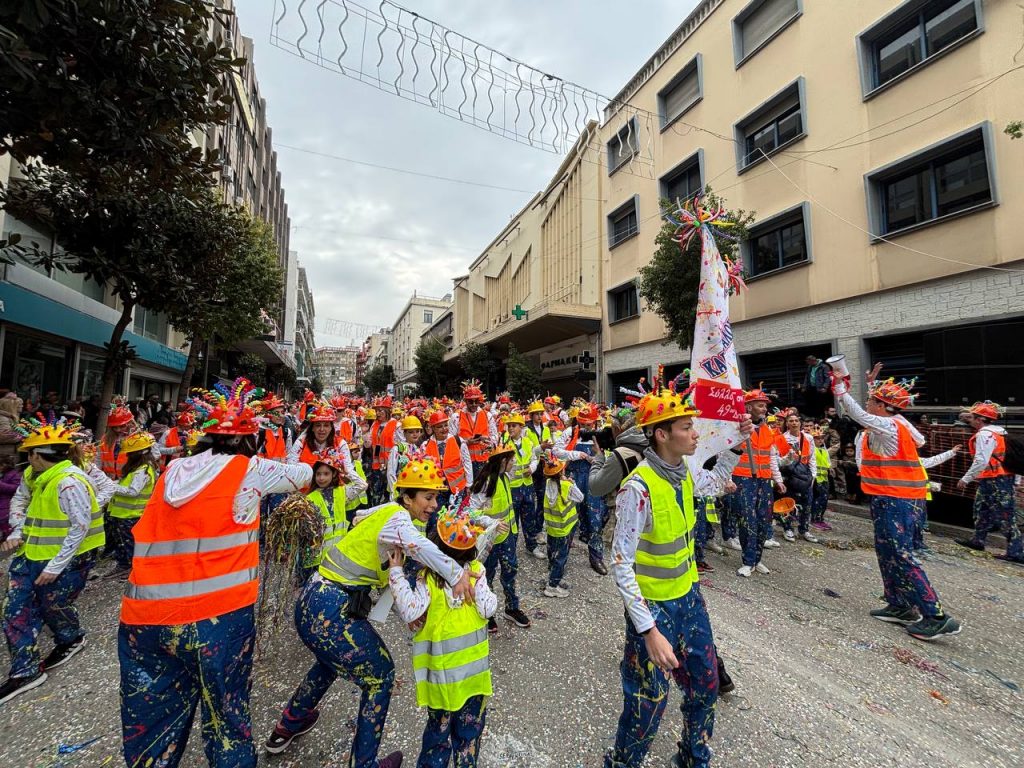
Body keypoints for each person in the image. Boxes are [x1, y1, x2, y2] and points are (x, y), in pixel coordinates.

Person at [117, 381, 312, 768]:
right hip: (216, 619)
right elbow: (303, 473)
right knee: (226, 720)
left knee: (153, 728)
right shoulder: (250, 468)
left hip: (145, 621)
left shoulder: (171, 471)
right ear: (249, 440)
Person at [265, 459, 474, 768]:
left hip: (313, 602)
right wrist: (457, 574)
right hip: (331, 609)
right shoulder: (401, 520)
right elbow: (418, 546)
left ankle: (289, 724)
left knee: (329, 662)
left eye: (436, 497)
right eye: (427, 497)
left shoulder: (387, 511)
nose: (434, 504)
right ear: (407, 497)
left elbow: (360, 517)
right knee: (381, 675)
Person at [605, 389, 751, 768]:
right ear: (662, 435)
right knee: (648, 702)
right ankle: (623, 763)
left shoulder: (684, 474)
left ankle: (692, 758)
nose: (695, 433)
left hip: (689, 601)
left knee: (705, 687)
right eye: (687, 427)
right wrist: (648, 630)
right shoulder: (637, 490)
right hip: (653, 611)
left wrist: (737, 444)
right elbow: (621, 564)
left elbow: (716, 480)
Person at [830, 364, 960, 640]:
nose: (867, 403)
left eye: (872, 400)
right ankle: (899, 604)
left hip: (896, 499)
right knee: (886, 551)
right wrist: (870, 387)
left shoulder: (889, 426)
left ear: (882, 406)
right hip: (896, 498)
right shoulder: (900, 423)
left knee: (900, 554)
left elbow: (859, 414)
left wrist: (840, 387)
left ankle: (935, 615)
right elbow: (919, 440)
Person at [0, 419, 105, 704]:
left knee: (53, 605)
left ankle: (71, 638)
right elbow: (20, 503)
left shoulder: (69, 482)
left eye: (29, 454)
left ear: (37, 455)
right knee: (14, 610)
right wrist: (18, 530)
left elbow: (79, 526)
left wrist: (55, 567)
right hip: (31, 554)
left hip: (67, 560)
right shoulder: (34, 476)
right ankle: (25, 670)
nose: (26, 459)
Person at [389, 508, 496, 768]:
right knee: (468, 737)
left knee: (438, 736)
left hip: (441, 683)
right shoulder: (477, 572)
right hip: (474, 679)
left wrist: (396, 571)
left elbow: (410, 610)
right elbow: (488, 609)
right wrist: (480, 586)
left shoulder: (428, 579)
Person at [469, 440, 527, 631]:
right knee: (488, 575)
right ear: (501, 461)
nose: (513, 463)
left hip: (508, 537)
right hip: (490, 540)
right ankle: (488, 611)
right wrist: (491, 524)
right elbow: (471, 511)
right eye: (510, 460)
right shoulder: (486, 483)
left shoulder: (505, 478)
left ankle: (512, 608)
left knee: (510, 571)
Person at [955, 401, 1023, 564]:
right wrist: (1017, 479)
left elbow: (981, 460)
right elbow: (1012, 458)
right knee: (982, 509)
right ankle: (978, 540)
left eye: (972, 417)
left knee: (1004, 515)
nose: (969, 420)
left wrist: (966, 478)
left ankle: (1017, 551)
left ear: (980, 419)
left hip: (996, 479)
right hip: (998, 478)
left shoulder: (984, 435)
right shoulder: (1001, 432)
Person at [730, 388, 786, 577]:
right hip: (743, 479)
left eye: (765, 406)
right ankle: (747, 561)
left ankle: (757, 559)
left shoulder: (767, 430)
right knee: (747, 520)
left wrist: (777, 479)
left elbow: (771, 457)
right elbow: (726, 453)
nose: (764, 409)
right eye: (760, 405)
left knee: (764, 520)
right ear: (748, 406)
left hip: (764, 480)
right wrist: (726, 478)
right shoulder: (738, 426)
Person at [554, 403, 609, 576]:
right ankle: (559, 560)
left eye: (589, 424)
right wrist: (578, 455)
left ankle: (596, 557)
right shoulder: (570, 433)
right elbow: (556, 451)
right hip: (573, 477)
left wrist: (599, 458)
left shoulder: (601, 434)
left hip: (593, 479)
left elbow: (610, 456)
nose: (586, 427)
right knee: (569, 519)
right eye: (583, 424)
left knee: (595, 519)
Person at [301, 448, 365, 583]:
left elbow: (362, 484)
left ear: (334, 475)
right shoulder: (309, 498)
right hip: (316, 556)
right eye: (318, 474)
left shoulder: (341, 493)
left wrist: (346, 470)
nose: (321, 478)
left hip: (336, 553)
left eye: (326, 473)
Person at [105, 431, 159, 576]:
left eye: (130, 454)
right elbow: (126, 484)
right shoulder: (138, 469)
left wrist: (111, 487)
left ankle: (129, 568)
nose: (127, 456)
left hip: (130, 515)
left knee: (127, 544)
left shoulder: (143, 470)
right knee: (121, 543)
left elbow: (133, 491)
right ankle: (123, 565)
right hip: (122, 514)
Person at [540, 453, 583, 598]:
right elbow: (580, 497)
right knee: (561, 557)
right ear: (561, 472)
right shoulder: (566, 486)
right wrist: (572, 483)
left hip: (552, 528)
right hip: (564, 528)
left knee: (552, 553)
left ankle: (553, 575)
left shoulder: (547, 484)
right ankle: (552, 586)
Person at [503, 412, 543, 558]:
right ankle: (511, 547)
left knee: (529, 518)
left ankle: (532, 546)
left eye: (514, 426)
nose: (510, 429)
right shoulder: (505, 444)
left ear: (521, 427)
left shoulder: (528, 442)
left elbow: (534, 459)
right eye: (509, 426)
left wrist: (532, 468)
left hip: (527, 486)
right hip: (512, 487)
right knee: (512, 520)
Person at [778, 412, 819, 544]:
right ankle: (787, 528)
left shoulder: (808, 438)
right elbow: (779, 459)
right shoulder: (782, 438)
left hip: (805, 474)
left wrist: (813, 475)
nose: (794, 423)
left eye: (796, 420)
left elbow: (812, 457)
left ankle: (804, 529)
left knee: (807, 503)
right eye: (791, 421)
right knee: (788, 502)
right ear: (787, 423)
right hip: (790, 474)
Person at [423, 409, 472, 514]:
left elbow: (467, 462)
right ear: (433, 428)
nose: (444, 429)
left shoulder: (458, 441)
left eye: (445, 425)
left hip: (457, 490)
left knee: (457, 517)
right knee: (437, 517)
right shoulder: (425, 445)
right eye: (439, 427)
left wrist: (469, 484)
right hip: (437, 491)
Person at [450, 380, 496, 477]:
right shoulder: (456, 417)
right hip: (464, 461)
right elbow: (451, 440)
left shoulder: (488, 415)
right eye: (471, 401)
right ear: (465, 401)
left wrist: (488, 441)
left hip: (484, 460)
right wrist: (466, 442)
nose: (474, 404)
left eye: (477, 401)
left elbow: (495, 436)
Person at [524, 400, 555, 535]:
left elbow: (549, 445)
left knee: (542, 499)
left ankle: (538, 528)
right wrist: (540, 448)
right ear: (531, 416)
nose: (539, 416)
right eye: (536, 414)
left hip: (543, 468)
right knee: (530, 501)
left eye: (540, 413)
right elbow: (527, 451)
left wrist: (548, 449)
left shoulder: (546, 428)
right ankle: (531, 530)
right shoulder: (526, 430)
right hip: (532, 468)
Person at [368, 397, 401, 506]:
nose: (378, 413)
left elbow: (401, 445)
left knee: (390, 494)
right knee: (376, 493)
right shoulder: (375, 424)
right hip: (377, 465)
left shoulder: (396, 424)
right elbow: (374, 443)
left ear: (388, 411)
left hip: (391, 466)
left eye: (381, 410)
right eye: (377, 410)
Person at [386, 415, 425, 496]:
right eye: (411, 432)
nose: (415, 434)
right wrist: (395, 491)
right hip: (400, 490)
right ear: (404, 433)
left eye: (417, 431)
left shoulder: (418, 449)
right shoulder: (397, 449)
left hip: (414, 490)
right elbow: (391, 472)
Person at [98, 403, 138, 479]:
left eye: (122, 426)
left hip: (129, 480)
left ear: (130, 423)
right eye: (114, 427)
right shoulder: (105, 438)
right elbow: (98, 459)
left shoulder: (138, 437)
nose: (118, 430)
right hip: (108, 480)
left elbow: (154, 455)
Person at [0, 453, 19, 541]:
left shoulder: (13, 474)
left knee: (6, 529)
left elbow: (16, 488)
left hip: (6, 508)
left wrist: (1, 485)